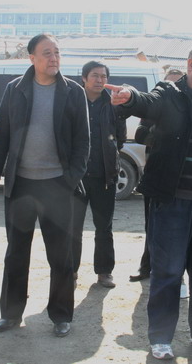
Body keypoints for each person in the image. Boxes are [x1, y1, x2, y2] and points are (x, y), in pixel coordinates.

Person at [107, 43, 192, 360]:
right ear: (191, 64)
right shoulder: (170, 94)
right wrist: (129, 96)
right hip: (172, 203)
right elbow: (147, 102)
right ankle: (160, 338)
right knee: (167, 272)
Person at [0, 34, 90, 338]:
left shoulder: (73, 92)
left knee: (61, 255)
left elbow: (83, 142)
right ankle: (10, 314)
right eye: (46, 53)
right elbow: (1, 134)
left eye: (57, 52)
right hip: (21, 185)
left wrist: (70, 180)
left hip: (57, 185)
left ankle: (61, 315)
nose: (54, 58)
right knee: (16, 253)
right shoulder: (15, 89)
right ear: (32, 58)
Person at [72, 61, 126, 289]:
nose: (100, 80)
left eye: (103, 76)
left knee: (104, 227)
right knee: (72, 228)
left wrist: (108, 157)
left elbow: (120, 139)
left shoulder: (113, 105)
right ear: (84, 78)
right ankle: (70, 271)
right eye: (95, 75)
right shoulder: (73, 101)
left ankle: (104, 272)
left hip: (104, 176)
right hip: (76, 177)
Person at [129, 68, 184, 283]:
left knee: (179, 228)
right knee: (152, 224)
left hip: (181, 179)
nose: (173, 88)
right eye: (169, 83)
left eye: (178, 84)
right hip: (156, 174)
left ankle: (177, 273)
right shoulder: (155, 108)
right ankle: (147, 267)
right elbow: (140, 134)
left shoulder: (190, 110)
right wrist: (160, 135)